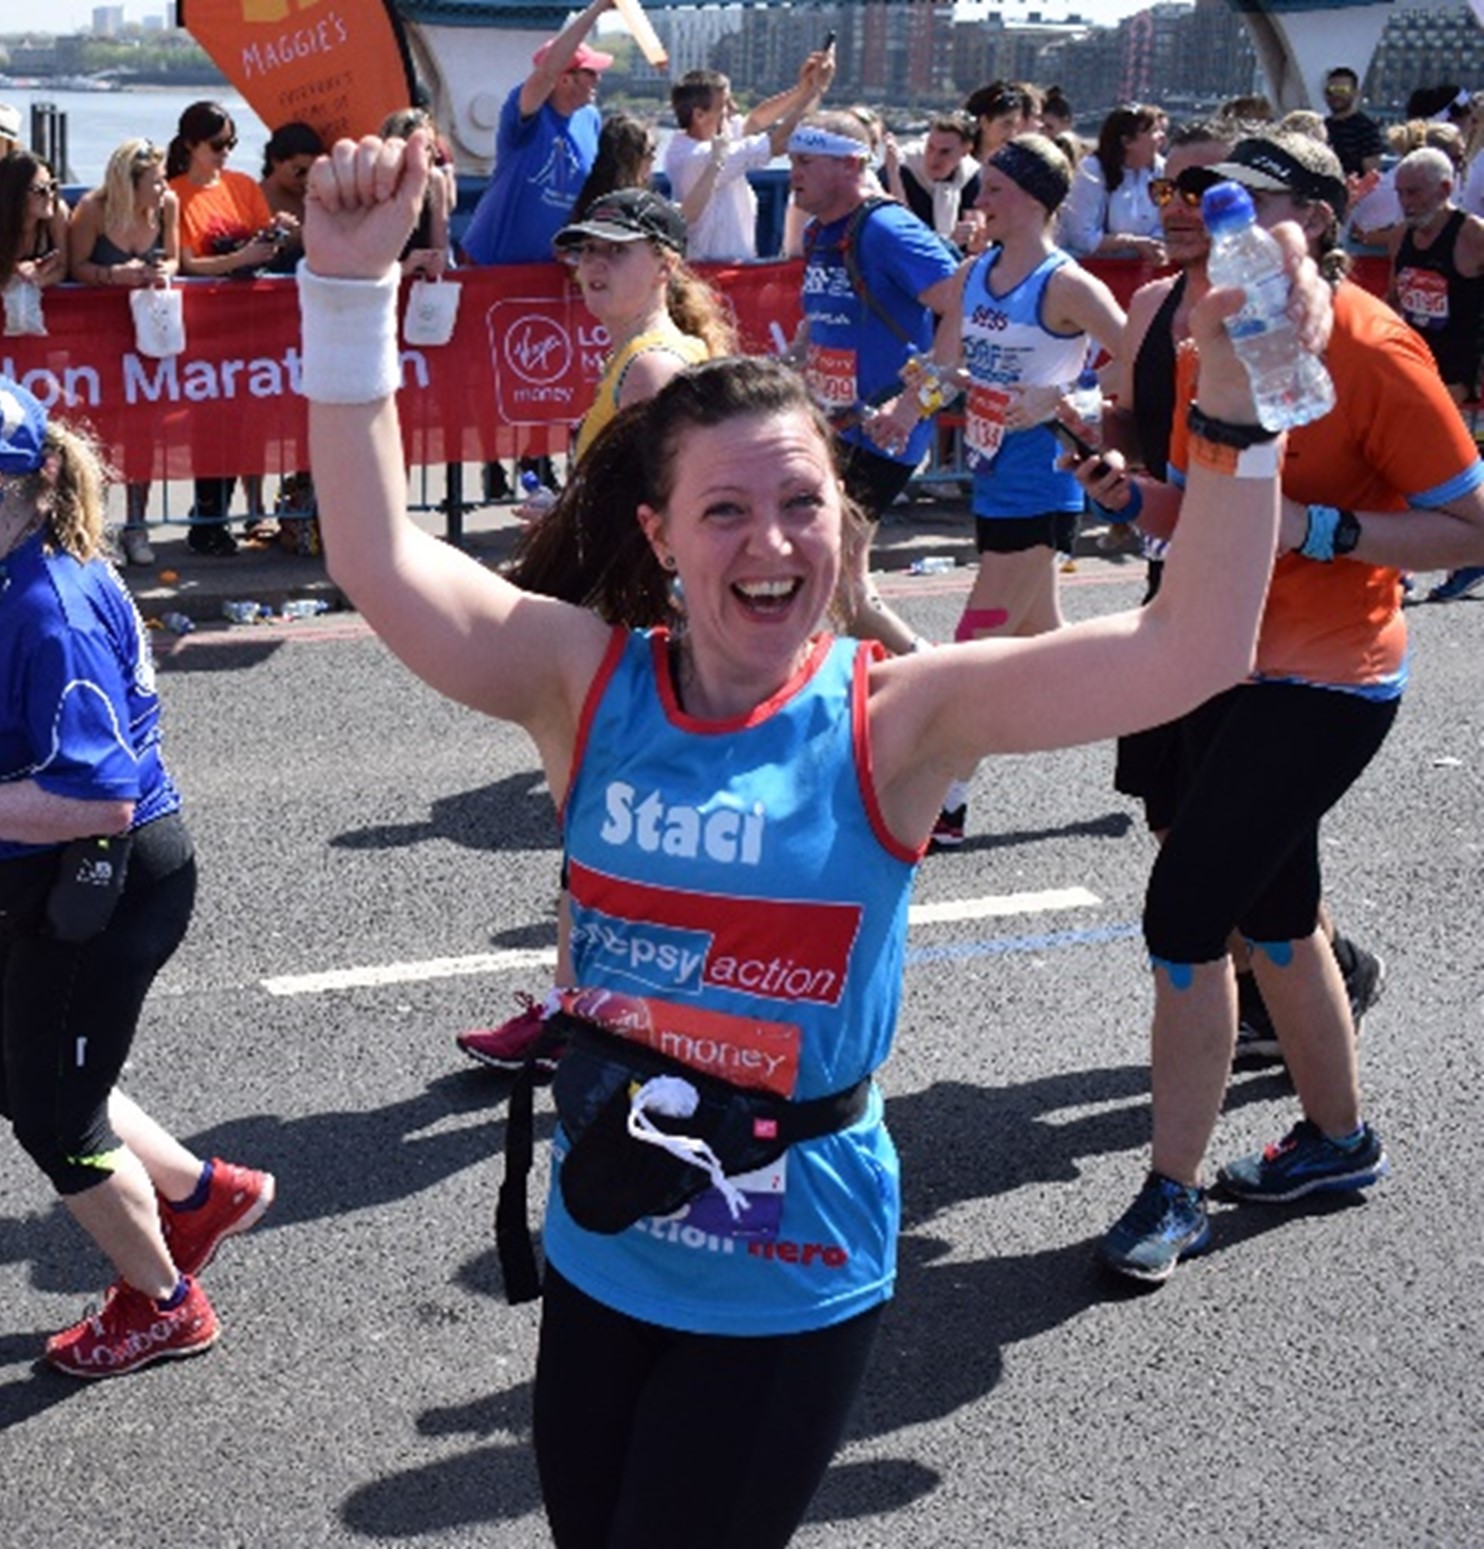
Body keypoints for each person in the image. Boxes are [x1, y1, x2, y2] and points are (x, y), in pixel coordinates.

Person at [297, 126, 1317, 1549]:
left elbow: (1199, 643)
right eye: (725, 510)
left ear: (843, 524)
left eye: (799, 504)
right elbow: (379, 557)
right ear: (658, 533)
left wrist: (1248, 404)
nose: (770, 544)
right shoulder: (581, 685)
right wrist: (343, 293)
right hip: (602, 1237)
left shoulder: (895, 720)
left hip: (790, 1269)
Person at [1095, 130, 1484, 1286]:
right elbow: (1192, 514)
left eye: (1245, 207)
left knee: (1183, 915)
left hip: (1327, 678)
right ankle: (1337, 1140)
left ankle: (1170, 1191)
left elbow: (1470, 523)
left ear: (1315, 220)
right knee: (1274, 917)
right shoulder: (1205, 327)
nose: (1213, 229)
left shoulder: (1370, 345)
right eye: (1201, 202)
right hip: (1217, 659)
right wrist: (1118, 489)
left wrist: (1318, 530)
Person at [0, 377, 275, 1377]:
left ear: (26, 488)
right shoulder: (24, 563)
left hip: (104, 882)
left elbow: (100, 797)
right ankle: (202, 1194)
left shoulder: (48, 610)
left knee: (53, 1119)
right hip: (65, 876)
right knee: (25, 1070)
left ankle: (164, 1304)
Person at [456, 187, 737, 1070]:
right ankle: (590, 1007)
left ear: (666, 262)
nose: (590, 268)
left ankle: (600, 1014)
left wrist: (566, 549)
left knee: (604, 830)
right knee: (608, 831)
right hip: (637, 628)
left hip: (629, 632)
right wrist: (566, 510)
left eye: (614, 251)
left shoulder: (654, 368)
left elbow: (664, 524)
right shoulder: (650, 359)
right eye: (583, 252)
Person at [921, 134, 1124, 848]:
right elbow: (945, 365)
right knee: (1049, 646)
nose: (981, 200)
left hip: (1043, 481)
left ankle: (943, 800)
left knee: (974, 646)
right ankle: (1164, 714)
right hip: (990, 472)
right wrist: (906, 399)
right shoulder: (975, 270)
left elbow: (1142, 361)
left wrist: (1071, 401)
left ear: (1035, 203)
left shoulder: (1067, 285)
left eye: (996, 191)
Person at [787, 110, 959, 664]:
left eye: (806, 161)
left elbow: (964, 309)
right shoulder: (821, 231)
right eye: (792, 160)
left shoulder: (888, 229)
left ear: (851, 164)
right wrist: (795, 358)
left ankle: (920, 674)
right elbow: (827, 312)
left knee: (825, 569)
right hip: (834, 424)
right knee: (835, 577)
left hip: (880, 431)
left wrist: (912, 406)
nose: (793, 173)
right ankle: (904, 678)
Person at [168, 100, 290, 555]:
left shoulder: (242, 186)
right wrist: (237, 259)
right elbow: (186, 263)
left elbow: (264, 245)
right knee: (210, 423)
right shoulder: (174, 194)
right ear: (191, 145)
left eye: (232, 144)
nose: (225, 154)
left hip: (251, 320)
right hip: (204, 324)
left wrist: (273, 236)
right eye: (217, 145)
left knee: (246, 422)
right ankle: (208, 516)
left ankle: (236, 514)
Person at [68, 137, 181, 568]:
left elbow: (175, 258)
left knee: (143, 433)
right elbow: (76, 266)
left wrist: (157, 271)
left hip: (148, 332)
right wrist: (115, 275)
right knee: (97, 434)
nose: (163, 188)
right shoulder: (93, 211)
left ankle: (137, 525)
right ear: (128, 184)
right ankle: (98, 527)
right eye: (155, 181)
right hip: (97, 336)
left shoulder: (167, 205)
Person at [1387, 145, 1484, 603]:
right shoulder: (1399, 238)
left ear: (1446, 190)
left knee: (1447, 473)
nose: (1407, 202)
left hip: (1463, 376)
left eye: (1416, 193)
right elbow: (1393, 301)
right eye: (1401, 192)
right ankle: (1399, 565)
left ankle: (1464, 557)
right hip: (1418, 370)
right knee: (1408, 467)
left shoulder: (1471, 235)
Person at [459, 0, 615, 266]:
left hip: (542, 264)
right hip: (490, 261)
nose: (597, 79)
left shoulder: (590, 119)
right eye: (590, 72)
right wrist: (596, 10)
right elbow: (546, 73)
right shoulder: (526, 112)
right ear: (565, 79)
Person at [664, 50, 833, 262]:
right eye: (726, 104)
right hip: (713, 274)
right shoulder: (700, 157)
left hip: (725, 268)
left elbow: (755, 121)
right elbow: (779, 142)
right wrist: (815, 91)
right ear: (699, 115)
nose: (734, 109)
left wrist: (803, 89)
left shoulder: (699, 140)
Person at [1058, 103, 1167, 262]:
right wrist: (1132, 243)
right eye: (1152, 132)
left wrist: (1154, 245)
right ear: (1127, 142)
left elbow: (1165, 222)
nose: (1161, 137)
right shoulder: (1091, 170)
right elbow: (1082, 238)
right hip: (1093, 268)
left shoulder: (1162, 169)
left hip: (1143, 269)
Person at [882, 111, 983, 253]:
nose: (934, 158)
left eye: (945, 152)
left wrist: (975, 237)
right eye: (930, 148)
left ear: (965, 151)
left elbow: (976, 234)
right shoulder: (901, 166)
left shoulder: (970, 175)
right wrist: (893, 175)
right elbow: (897, 226)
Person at [380, 106, 456, 279]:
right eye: (427, 148)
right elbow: (366, 268)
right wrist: (406, 266)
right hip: (382, 286)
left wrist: (435, 260)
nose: (436, 154)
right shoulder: (379, 185)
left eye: (434, 146)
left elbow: (440, 248)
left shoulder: (435, 181)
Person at [0, 151, 70, 333]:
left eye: (52, 186)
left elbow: (63, 266)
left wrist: (38, 279)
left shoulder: (57, 213)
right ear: (15, 194)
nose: (50, 195)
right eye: (39, 190)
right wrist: (13, 271)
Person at [259, 120, 324, 273]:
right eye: (299, 171)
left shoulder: (316, 196)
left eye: (312, 172)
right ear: (276, 161)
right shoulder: (255, 197)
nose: (306, 179)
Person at [572, 111, 655, 219]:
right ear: (628, 159)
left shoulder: (585, 199)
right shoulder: (623, 210)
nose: (653, 159)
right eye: (649, 153)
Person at [1322, 67, 1384, 178]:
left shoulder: (1366, 129)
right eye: (1331, 90)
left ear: (1355, 92)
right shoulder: (1320, 127)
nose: (1336, 95)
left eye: (1342, 90)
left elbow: (1372, 176)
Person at [963, 80, 1041, 163]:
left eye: (1016, 126)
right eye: (1006, 124)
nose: (1012, 133)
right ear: (984, 123)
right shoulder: (961, 166)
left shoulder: (1016, 170)